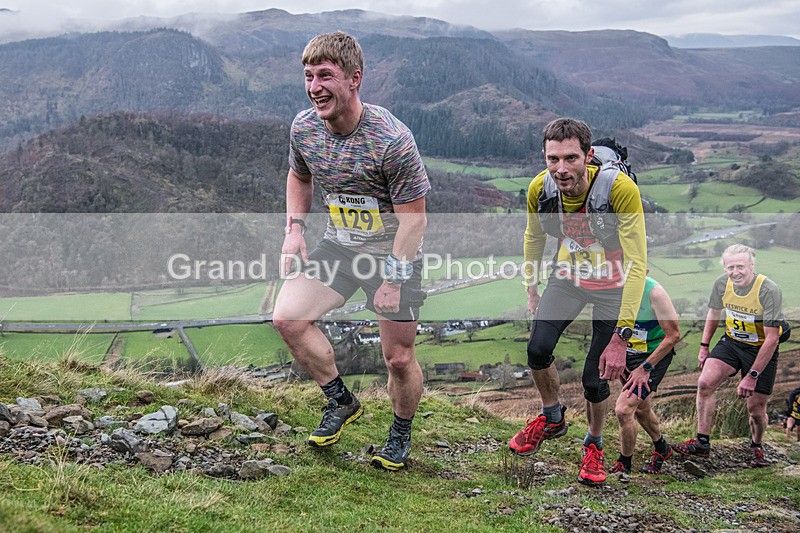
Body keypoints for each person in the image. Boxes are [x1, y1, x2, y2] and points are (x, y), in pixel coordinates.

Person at [271, 31, 430, 472]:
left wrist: (394, 279)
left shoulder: (392, 140)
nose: (314, 86)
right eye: (308, 76)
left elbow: (414, 219)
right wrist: (295, 229)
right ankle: (340, 400)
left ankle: (399, 432)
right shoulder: (304, 128)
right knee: (288, 318)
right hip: (339, 246)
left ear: (354, 79)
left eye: (325, 75)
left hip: (393, 252)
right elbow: (298, 175)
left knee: (397, 358)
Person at [508, 118, 648, 486]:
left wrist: (622, 337)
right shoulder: (541, 188)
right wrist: (531, 288)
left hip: (613, 288)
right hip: (568, 279)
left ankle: (594, 444)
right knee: (537, 349)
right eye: (552, 159)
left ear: (587, 156)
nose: (561, 169)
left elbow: (637, 265)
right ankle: (552, 417)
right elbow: (532, 236)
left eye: (571, 158)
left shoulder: (619, 191)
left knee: (594, 377)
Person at [672, 244, 785, 468]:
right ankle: (702, 442)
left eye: (741, 266)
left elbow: (772, 339)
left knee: (756, 409)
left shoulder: (768, 290)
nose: (736, 272)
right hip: (732, 342)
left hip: (761, 348)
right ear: (724, 267)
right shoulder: (722, 284)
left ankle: (756, 446)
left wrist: (752, 375)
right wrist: (704, 346)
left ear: (752, 265)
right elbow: (714, 312)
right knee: (705, 382)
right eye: (730, 267)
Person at [608, 275, 680, 481]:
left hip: (652, 356)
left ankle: (625, 463)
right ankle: (662, 447)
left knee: (624, 409)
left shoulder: (654, 293)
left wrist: (645, 368)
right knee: (642, 408)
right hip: (627, 353)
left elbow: (673, 335)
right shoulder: (608, 287)